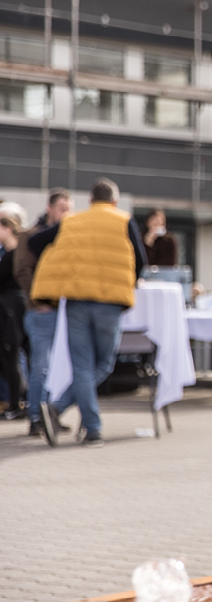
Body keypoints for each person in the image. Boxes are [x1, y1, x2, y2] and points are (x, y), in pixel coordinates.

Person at [29, 178, 148, 447]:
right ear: (114, 202)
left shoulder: (73, 221)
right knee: (103, 364)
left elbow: (36, 242)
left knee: (82, 366)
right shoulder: (123, 220)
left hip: (76, 302)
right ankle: (88, 427)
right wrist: (128, 281)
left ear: (90, 201)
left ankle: (60, 410)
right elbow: (140, 261)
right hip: (109, 303)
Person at [13, 188, 73, 436]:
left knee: (60, 367)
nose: (66, 214)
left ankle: (52, 414)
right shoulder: (31, 236)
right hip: (42, 312)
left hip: (64, 311)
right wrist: (39, 301)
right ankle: (37, 416)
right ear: (49, 208)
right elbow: (22, 271)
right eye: (62, 208)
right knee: (41, 366)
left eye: (69, 209)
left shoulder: (68, 235)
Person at [0, 216, 25, 420]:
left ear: (7, 229)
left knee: (11, 355)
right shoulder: (9, 253)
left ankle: (16, 403)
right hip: (10, 308)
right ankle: (16, 402)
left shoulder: (15, 254)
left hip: (12, 310)